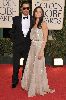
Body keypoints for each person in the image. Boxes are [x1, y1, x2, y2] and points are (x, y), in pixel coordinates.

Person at [21, 6, 55, 97]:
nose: (38, 13)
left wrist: (41, 51)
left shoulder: (43, 24)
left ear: (42, 13)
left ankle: (39, 87)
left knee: (39, 68)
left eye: (40, 12)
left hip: (39, 47)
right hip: (32, 47)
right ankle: (31, 85)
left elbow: (45, 39)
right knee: (31, 66)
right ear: (34, 13)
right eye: (36, 11)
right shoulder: (33, 23)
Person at [10, 1, 33, 88]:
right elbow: (12, 31)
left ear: (29, 9)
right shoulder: (15, 19)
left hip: (28, 46)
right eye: (24, 8)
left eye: (28, 8)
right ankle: (15, 81)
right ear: (21, 9)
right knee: (16, 64)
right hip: (17, 45)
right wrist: (14, 40)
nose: (26, 10)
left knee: (26, 65)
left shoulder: (33, 19)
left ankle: (24, 80)